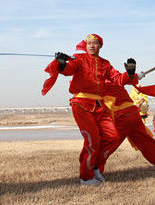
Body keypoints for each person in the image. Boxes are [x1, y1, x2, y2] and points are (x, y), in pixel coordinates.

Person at [42, 34, 142, 185]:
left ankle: (95, 166)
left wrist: (129, 73)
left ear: (100, 46)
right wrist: (61, 63)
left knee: (113, 136)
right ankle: (86, 177)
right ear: (86, 45)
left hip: (100, 105)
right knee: (93, 139)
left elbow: (118, 79)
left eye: (95, 43)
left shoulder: (105, 63)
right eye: (89, 43)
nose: (91, 46)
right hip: (81, 104)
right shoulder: (78, 59)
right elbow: (67, 70)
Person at [97, 83, 155, 173]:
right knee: (146, 141)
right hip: (133, 114)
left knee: (109, 143)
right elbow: (126, 78)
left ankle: (94, 168)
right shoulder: (115, 79)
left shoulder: (100, 82)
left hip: (122, 116)